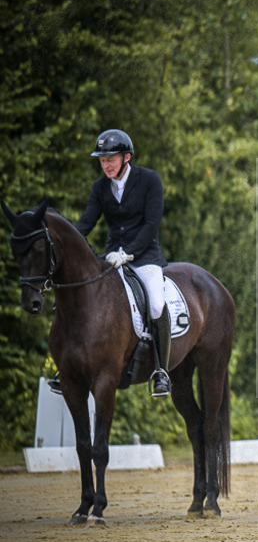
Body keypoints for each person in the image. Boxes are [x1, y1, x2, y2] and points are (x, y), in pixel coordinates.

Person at [74, 129, 173, 397]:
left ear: (126, 157)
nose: (105, 165)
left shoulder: (149, 180)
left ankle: (161, 371)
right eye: (102, 160)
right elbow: (86, 223)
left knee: (155, 302)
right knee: (82, 299)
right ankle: (70, 366)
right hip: (110, 259)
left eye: (111, 159)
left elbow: (152, 225)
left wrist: (129, 252)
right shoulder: (99, 187)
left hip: (144, 257)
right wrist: (64, 237)